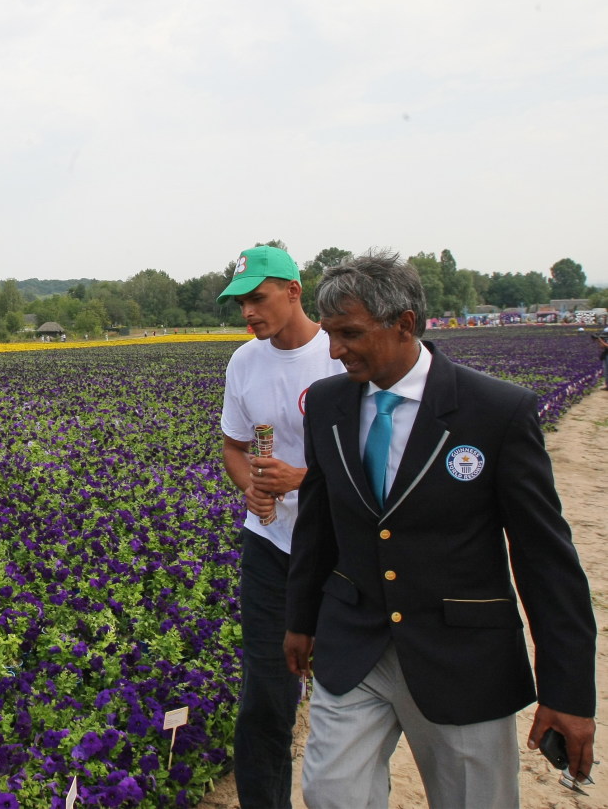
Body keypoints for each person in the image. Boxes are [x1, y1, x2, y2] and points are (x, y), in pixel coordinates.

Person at [284, 251, 596, 808]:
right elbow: (319, 523)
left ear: (404, 323)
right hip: (355, 644)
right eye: (330, 334)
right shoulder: (328, 405)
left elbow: (544, 558)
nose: (335, 350)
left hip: (460, 657)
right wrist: (300, 619)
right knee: (331, 793)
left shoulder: (496, 412)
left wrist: (568, 692)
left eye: (350, 333)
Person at [216, 245, 346, 808]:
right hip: (270, 543)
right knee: (265, 695)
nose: (248, 312)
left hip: (342, 547)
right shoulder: (244, 363)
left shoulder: (340, 355)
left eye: (257, 298)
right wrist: (249, 485)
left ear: (294, 291)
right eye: (241, 301)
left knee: (347, 693)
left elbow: (374, 460)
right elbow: (233, 445)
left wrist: (305, 480)